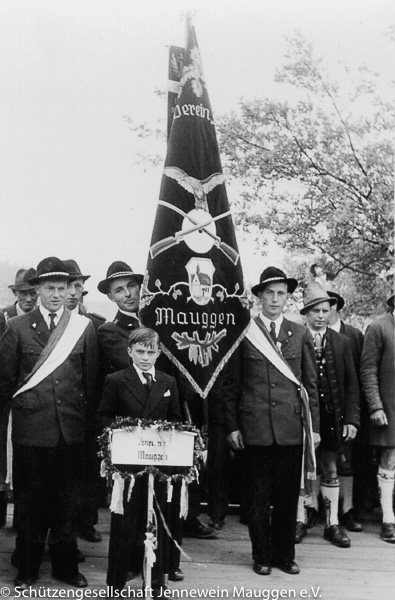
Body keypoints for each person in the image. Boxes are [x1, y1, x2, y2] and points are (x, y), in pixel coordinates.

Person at [0, 257, 98, 589]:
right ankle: (27, 569)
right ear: (37, 290)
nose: (56, 295)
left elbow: (92, 384)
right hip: (30, 431)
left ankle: (66, 567)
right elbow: (5, 384)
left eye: (62, 288)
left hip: (70, 432)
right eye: (49, 288)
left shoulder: (83, 328)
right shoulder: (16, 327)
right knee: (29, 503)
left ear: (70, 290)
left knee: (67, 503)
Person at [226, 266, 320, 576]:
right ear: (260, 297)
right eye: (269, 293)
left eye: (281, 293)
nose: (275, 299)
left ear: (288, 298)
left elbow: (309, 385)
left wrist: (314, 427)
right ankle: (261, 556)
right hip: (255, 428)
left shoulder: (300, 333)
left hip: (290, 428)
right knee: (256, 498)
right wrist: (233, 426)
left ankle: (284, 555)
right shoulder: (245, 333)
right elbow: (232, 385)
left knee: (286, 497)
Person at [97, 327, 181, 596]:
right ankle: (116, 584)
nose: (146, 357)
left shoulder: (168, 382)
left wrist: (167, 432)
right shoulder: (116, 380)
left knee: (157, 519)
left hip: (159, 465)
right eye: (140, 351)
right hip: (128, 468)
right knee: (124, 524)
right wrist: (124, 429)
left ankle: (156, 581)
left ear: (159, 353)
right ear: (130, 351)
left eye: (151, 352)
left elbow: (177, 420)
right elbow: (104, 417)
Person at [299, 282, 360, 548]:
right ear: (307, 313)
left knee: (331, 468)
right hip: (303, 416)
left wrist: (351, 419)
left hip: (332, 417)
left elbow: (352, 385)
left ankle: (332, 523)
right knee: (301, 469)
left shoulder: (342, 341)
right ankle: (300, 519)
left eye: (325, 310)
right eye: (315, 311)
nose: (321, 316)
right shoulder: (295, 336)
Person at [63, 259, 106, 544]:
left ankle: (85, 523)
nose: (73, 292)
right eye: (69, 286)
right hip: (58, 413)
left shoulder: (95, 325)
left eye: (78, 286)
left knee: (87, 473)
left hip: (86, 412)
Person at [0, 268, 38, 528]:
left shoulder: (42, 320)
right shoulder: (3, 318)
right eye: (23, 293)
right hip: (4, 400)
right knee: (2, 456)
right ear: (15, 294)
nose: (29, 298)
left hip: (30, 401)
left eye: (32, 293)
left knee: (25, 459)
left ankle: (22, 521)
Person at [360, 294, 395, 543]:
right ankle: (388, 520)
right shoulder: (379, 327)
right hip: (389, 409)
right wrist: (375, 406)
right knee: (390, 460)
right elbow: (368, 369)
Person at [97, 261, 143, 373]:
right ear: (111, 297)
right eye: (119, 290)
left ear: (139, 287)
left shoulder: (157, 319)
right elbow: (137, 363)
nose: (127, 293)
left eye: (131, 286)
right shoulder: (109, 331)